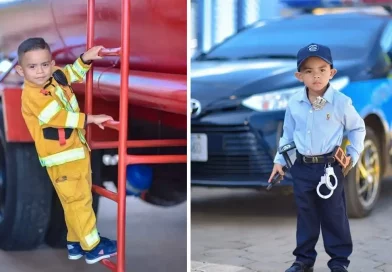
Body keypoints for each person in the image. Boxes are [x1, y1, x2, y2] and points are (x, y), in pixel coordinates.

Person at [16, 37, 117, 264]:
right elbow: (58, 117)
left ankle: (75, 243)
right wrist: (91, 118)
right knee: (79, 201)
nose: (40, 72)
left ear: (51, 64)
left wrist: (85, 59)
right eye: (32, 67)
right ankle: (93, 246)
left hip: (73, 152)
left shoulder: (54, 77)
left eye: (44, 65)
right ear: (21, 71)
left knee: (73, 201)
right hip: (61, 158)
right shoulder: (32, 95)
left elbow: (70, 74)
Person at [268, 43, 366, 272]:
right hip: (302, 167)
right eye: (309, 71)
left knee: (334, 215)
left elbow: (357, 128)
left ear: (332, 72)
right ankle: (303, 260)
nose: (316, 76)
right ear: (299, 75)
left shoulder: (341, 102)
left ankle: (339, 262)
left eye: (322, 69)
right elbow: (288, 136)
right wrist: (279, 161)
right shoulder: (294, 103)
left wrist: (352, 155)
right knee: (306, 215)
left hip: (330, 169)